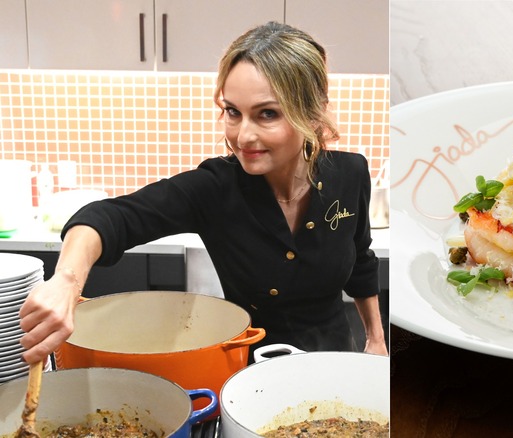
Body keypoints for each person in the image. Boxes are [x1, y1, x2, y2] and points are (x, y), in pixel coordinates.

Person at [18, 21, 388, 364]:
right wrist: (66, 280)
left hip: (336, 361)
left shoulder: (350, 172)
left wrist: (375, 338)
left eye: (267, 114)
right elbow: (109, 218)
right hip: (250, 370)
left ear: (313, 113)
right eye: (232, 111)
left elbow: (360, 259)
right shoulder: (215, 188)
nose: (243, 136)